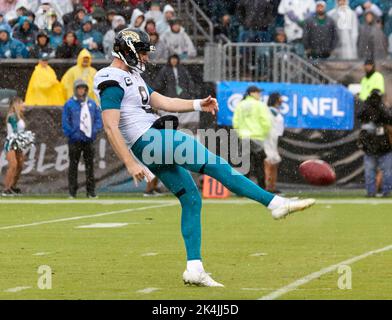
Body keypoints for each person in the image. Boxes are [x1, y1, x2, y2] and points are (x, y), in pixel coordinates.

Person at [94, 28, 316, 287]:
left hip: (152, 142)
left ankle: (194, 268)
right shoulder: (110, 78)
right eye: (142, 51)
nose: (145, 57)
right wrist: (131, 163)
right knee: (216, 164)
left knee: (191, 199)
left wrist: (198, 103)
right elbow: (110, 125)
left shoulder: (132, 76)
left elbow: (163, 101)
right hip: (150, 140)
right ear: (129, 50)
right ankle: (274, 203)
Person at [62, 79, 102, 199]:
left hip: (88, 140)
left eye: (83, 88)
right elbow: (65, 122)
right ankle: (72, 192)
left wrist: (93, 132)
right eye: (79, 88)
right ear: (75, 89)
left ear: (86, 90)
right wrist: (72, 134)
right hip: (75, 140)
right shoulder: (69, 104)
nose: (81, 90)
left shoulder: (91, 104)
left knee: (90, 166)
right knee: (73, 167)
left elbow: (98, 120)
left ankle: (91, 191)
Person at [232, 86, 272, 188]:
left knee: (245, 165)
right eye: (258, 92)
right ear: (251, 93)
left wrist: (241, 133)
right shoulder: (260, 105)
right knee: (259, 165)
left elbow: (235, 122)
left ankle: (242, 189)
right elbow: (266, 122)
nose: (260, 94)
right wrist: (263, 134)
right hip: (257, 138)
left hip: (244, 138)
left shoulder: (241, 105)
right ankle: (262, 188)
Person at [357, 89, 392, 197]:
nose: (374, 101)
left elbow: (389, 118)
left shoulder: (384, 109)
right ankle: (371, 192)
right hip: (371, 147)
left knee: (386, 172)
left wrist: (380, 107)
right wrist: (368, 105)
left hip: (384, 146)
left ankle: (386, 192)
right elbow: (359, 115)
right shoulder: (366, 109)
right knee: (370, 172)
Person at [2, 96, 32, 196]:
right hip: (11, 143)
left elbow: (21, 131)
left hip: (18, 143)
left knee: (20, 165)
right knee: (13, 165)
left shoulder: (20, 116)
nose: (23, 104)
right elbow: (14, 131)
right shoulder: (12, 116)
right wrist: (23, 138)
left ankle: (12, 187)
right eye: (21, 103)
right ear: (16, 104)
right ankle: (6, 189)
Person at [264, 93, 285, 193]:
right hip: (268, 139)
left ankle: (272, 186)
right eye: (280, 97)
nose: (282, 99)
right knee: (269, 162)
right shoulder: (268, 110)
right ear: (276, 99)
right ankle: (267, 186)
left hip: (274, 139)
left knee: (275, 162)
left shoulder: (276, 111)